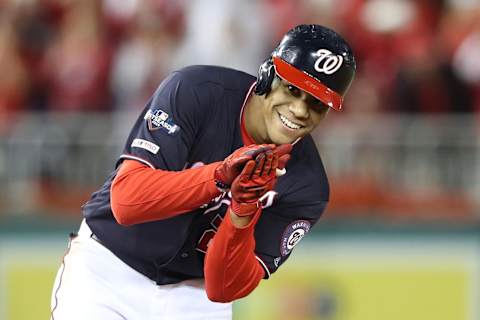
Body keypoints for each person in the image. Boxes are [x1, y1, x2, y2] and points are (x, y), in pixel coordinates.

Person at [50, 24, 356, 320]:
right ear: (267, 75)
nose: (300, 110)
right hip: (109, 268)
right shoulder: (197, 91)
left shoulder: (307, 186)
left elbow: (223, 288)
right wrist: (219, 177)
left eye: (317, 103)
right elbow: (126, 202)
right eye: (292, 89)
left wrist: (243, 210)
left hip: (193, 298)